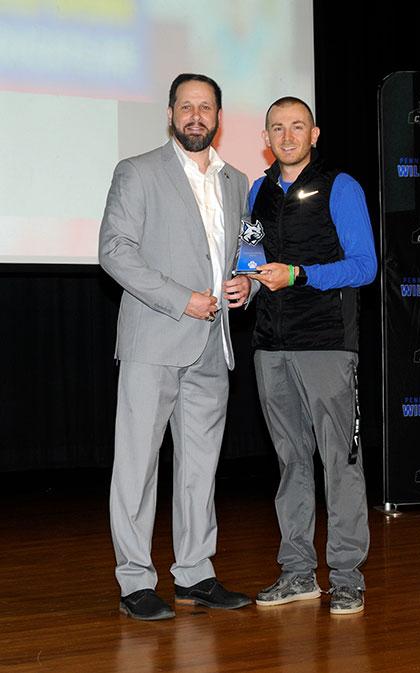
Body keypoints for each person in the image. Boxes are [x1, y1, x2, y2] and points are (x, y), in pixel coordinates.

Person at [99, 73, 253, 621]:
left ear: (218, 117)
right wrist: (179, 299)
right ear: (170, 113)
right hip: (153, 339)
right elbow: (114, 251)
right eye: (186, 106)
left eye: (205, 107)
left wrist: (247, 283)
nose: (195, 116)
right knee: (137, 467)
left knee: (199, 468)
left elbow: (241, 255)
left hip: (214, 344)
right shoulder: (137, 171)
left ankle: (194, 574)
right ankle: (135, 580)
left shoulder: (236, 180)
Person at [248, 96, 377, 615]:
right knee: (290, 462)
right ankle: (297, 573)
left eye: (297, 126)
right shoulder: (257, 190)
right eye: (277, 127)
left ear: (314, 134)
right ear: (267, 136)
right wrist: (245, 284)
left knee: (339, 464)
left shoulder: (341, 187)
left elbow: (365, 266)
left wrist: (300, 274)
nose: (287, 135)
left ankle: (347, 577)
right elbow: (253, 257)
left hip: (325, 342)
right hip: (270, 345)